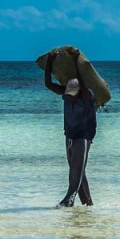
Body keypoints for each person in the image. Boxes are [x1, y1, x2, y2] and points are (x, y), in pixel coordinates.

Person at [44, 48, 97, 207]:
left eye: (71, 96)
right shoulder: (66, 91)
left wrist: (75, 60)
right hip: (70, 134)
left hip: (84, 136)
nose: (68, 98)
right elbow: (48, 84)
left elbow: (82, 81)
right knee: (77, 170)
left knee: (76, 170)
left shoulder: (87, 96)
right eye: (66, 95)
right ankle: (88, 203)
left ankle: (69, 198)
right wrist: (49, 62)